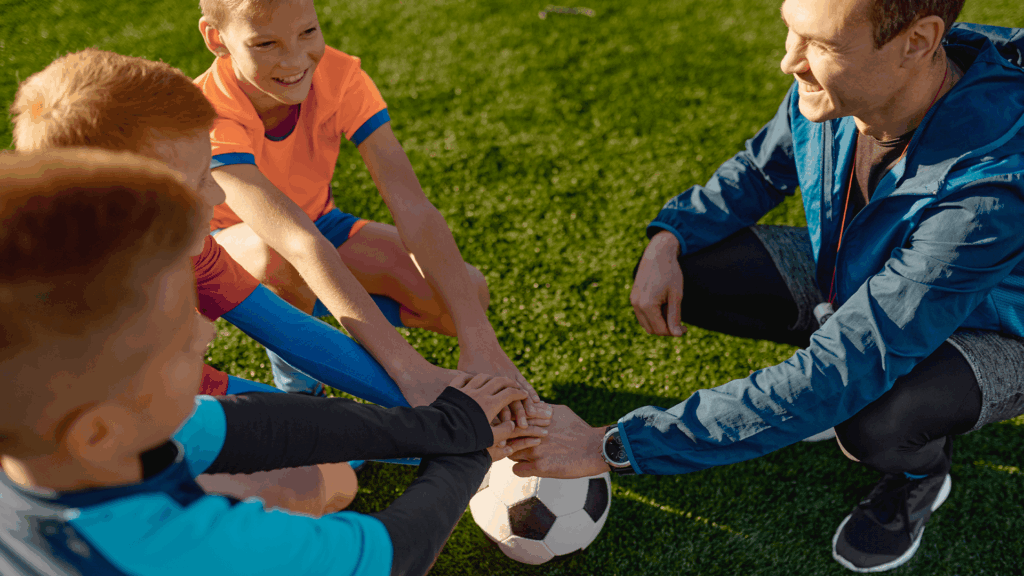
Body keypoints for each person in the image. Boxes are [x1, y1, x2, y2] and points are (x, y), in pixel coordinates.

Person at [508, 1, 1024, 572]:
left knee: (872, 418)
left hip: (1000, 329)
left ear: (917, 41)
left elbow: (841, 368)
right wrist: (671, 236)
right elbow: (762, 167)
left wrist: (611, 445)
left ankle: (919, 472)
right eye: (790, 31)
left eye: (820, 46)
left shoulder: (988, 195)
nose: (789, 62)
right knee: (694, 267)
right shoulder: (843, 84)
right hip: (874, 273)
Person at [0, 148, 539, 576]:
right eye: (178, 346)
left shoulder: (75, 431)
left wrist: (443, 425)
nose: (202, 340)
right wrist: (466, 454)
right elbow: (392, 555)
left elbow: (259, 427)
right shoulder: (183, 549)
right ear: (97, 434)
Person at [192, 0, 548, 426]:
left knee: (469, 293)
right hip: (226, 253)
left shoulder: (340, 75)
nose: (293, 59)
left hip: (320, 227)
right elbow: (296, 241)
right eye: (265, 43)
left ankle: (327, 321)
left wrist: (481, 342)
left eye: (308, 32)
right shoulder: (206, 114)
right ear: (217, 39)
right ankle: (300, 384)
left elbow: (412, 205)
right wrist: (409, 370)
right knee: (280, 254)